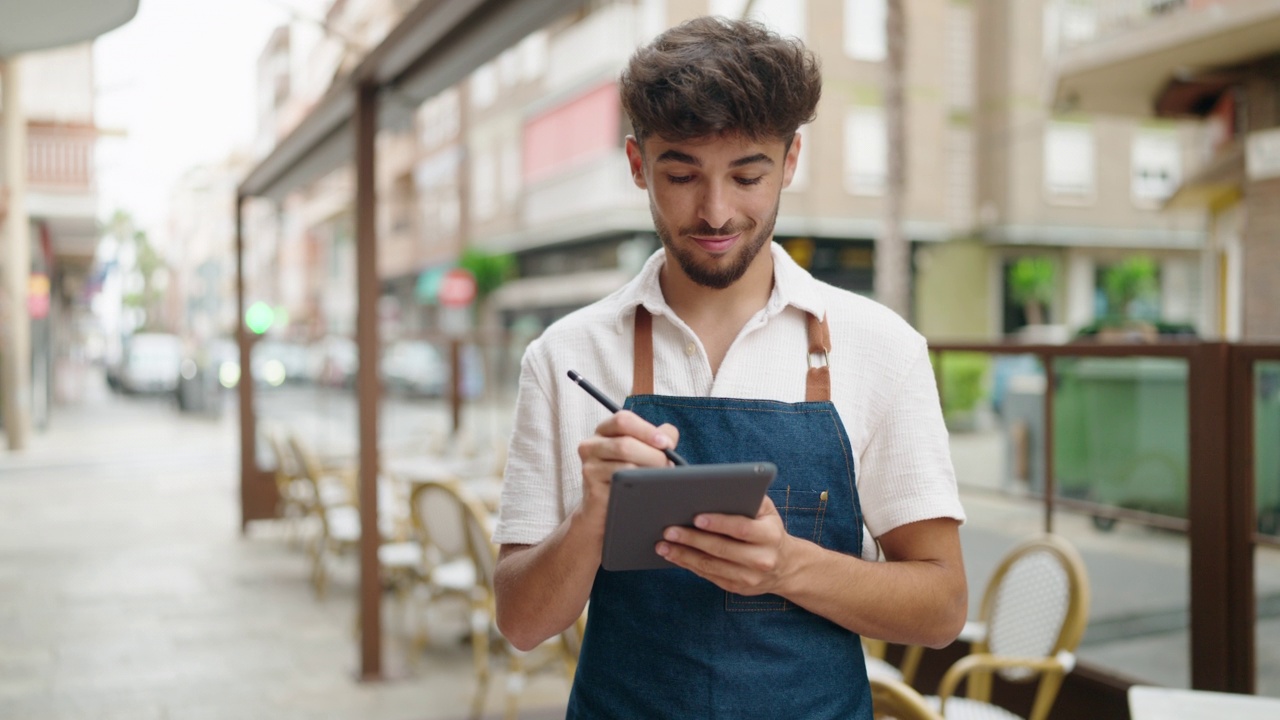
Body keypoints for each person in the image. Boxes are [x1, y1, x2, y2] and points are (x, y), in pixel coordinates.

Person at [492, 16, 966, 719]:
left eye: (748, 175)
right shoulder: (565, 355)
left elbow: (942, 607)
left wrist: (787, 566)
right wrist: (593, 515)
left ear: (792, 159)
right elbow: (523, 623)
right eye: (681, 175)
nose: (716, 211)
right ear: (635, 164)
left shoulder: (880, 347)